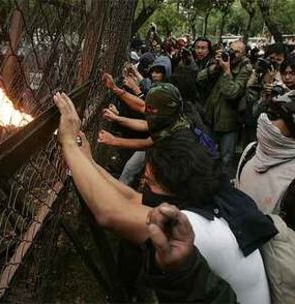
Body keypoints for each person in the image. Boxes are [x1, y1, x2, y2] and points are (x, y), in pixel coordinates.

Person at [53, 92, 275, 304]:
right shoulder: (211, 196)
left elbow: (108, 213)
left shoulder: (195, 229)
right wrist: (89, 161)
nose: (143, 186)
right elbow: (131, 199)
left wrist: (69, 143)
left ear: (176, 189)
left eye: (149, 182)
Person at [197, 40, 252, 174]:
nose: (233, 53)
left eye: (237, 51)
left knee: (226, 159)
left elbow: (232, 93)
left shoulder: (245, 69)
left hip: (229, 122)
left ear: (244, 54)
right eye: (231, 49)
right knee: (207, 153)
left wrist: (227, 70)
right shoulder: (222, 62)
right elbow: (199, 78)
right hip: (211, 117)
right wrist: (216, 66)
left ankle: (224, 187)